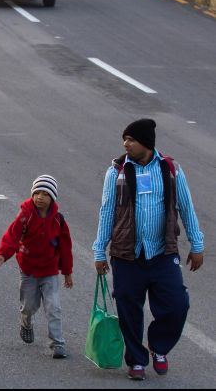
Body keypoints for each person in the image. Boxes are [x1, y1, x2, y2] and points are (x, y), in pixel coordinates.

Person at [93, 119, 204, 381]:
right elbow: (107, 212)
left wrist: (197, 244)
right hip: (126, 254)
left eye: (131, 139)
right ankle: (136, 360)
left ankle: (159, 347)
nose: (125, 144)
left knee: (177, 305)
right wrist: (99, 251)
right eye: (125, 139)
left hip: (163, 253)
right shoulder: (116, 172)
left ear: (146, 143)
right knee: (128, 308)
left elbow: (186, 207)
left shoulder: (171, 169)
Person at [0, 175, 73, 359]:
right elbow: (12, 236)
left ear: (52, 197)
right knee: (29, 306)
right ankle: (26, 323)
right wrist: (2, 256)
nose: (40, 197)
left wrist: (67, 272)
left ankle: (57, 343)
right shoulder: (25, 215)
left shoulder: (58, 220)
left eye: (45, 194)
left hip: (49, 270)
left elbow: (65, 247)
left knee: (53, 307)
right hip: (28, 270)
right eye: (37, 193)